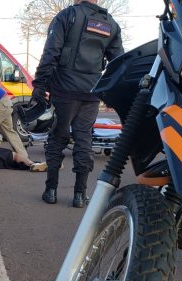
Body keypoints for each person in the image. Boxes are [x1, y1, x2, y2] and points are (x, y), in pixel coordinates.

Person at [32, 0, 124, 207]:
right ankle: (80, 195)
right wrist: (110, 91)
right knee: (84, 139)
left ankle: (51, 190)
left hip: (64, 89)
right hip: (91, 91)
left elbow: (51, 53)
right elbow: (118, 62)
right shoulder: (110, 24)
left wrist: (39, 84)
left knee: (57, 138)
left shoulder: (67, 16)